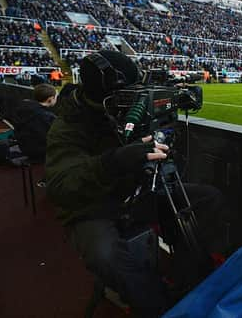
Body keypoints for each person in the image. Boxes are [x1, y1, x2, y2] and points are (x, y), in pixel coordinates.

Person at [45, 51, 225, 318]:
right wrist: (112, 162)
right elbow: (61, 186)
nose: (139, 96)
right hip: (94, 207)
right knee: (105, 255)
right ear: (107, 96)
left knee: (207, 199)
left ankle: (186, 282)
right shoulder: (68, 125)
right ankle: (160, 306)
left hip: (137, 194)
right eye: (131, 91)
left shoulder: (127, 108)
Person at [13, 83, 57, 164]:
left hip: (24, 147)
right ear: (50, 99)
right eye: (56, 97)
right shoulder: (46, 116)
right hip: (40, 151)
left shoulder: (24, 109)